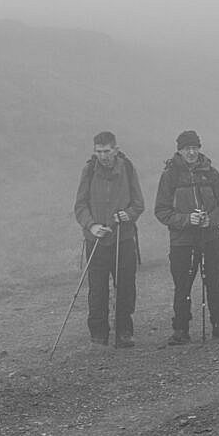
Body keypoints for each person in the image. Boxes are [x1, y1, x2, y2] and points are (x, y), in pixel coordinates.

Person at [155, 130, 219, 344]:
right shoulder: (170, 175)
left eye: (194, 148)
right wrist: (186, 219)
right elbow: (161, 211)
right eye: (186, 149)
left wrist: (212, 219)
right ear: (179, 151)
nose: (191, 152)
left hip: (210, 237)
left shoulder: (211, 173)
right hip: (181, 242)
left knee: (214, 282)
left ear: (199, 148)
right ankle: (181, 329)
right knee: (183, 286)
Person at [73, 131, 144, 348]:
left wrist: (127, 215)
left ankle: (124, 332)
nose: (103, 156)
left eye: (106, 151)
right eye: (99, 151)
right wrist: (92, 226)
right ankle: (98, 335)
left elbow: (138, 204)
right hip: (96, 240)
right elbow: (80, 205)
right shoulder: (88, 170)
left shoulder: (127, 168)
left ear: (115, 149)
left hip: (124, 238)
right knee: (97, 289)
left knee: (125, 287)